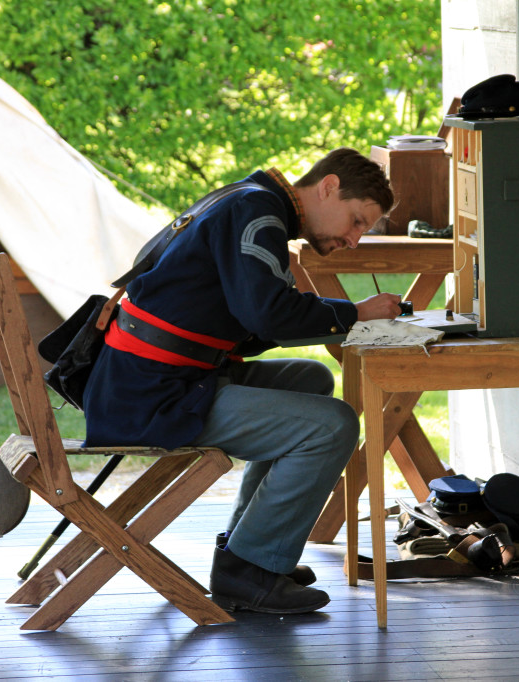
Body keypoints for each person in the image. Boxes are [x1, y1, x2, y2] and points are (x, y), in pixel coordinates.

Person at [82, 147, 401, 614]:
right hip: (153, 396)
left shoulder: (247, 199)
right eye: (357, 221)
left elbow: (250, 324)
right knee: (333, 425)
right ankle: (248, 572)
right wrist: (354, 313)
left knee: (308, 380)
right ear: (328, 187)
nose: (355, 240)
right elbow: (266, 315)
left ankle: (249, 546)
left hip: (158, 380)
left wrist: (333, 316)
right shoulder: (258, 214)